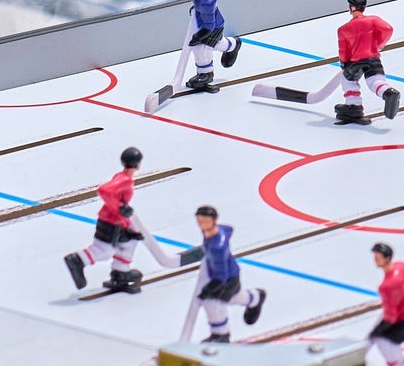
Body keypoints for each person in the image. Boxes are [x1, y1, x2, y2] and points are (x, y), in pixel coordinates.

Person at [63, 147, 180, 292]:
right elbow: (104, 190)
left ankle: (121, 272)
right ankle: (77, 260)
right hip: (109, 221)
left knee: (131, 241)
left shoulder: (124, 177)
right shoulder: (124, 179)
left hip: (117, 221)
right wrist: (120, 207)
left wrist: (126, 221)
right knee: (104, 250)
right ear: (137, 163)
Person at [305, 0, 398, 123]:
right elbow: (388, 29)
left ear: (351, 8)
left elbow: (343, 51)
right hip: (373, 58)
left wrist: (344, 64)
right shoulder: (373, 20)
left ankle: (354, 106)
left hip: (356, 62)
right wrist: (378, 45)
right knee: (375, 80)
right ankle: (387, 92)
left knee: (347, 81)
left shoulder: (344, 29)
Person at [180, 207, 265, 343]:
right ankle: (255, 297)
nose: (202, 224)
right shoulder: (217, 231)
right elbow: (229, 229)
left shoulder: (217, 248)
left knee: (211, 301)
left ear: (213, 220)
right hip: (220, 272)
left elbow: (222, 274)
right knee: (232, 298)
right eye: (199, 220)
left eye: (205, 221)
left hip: (226, 277)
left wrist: (208, 289)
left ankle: (221, 334)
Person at [166, 0, 242, 100]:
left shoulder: (208, 2)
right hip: (203, 21)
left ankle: (206, 74)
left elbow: (209, 25)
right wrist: (196, 9)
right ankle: (233, 44)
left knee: (201, 48)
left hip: (212, 26)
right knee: (215, 45)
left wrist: (198, 36)